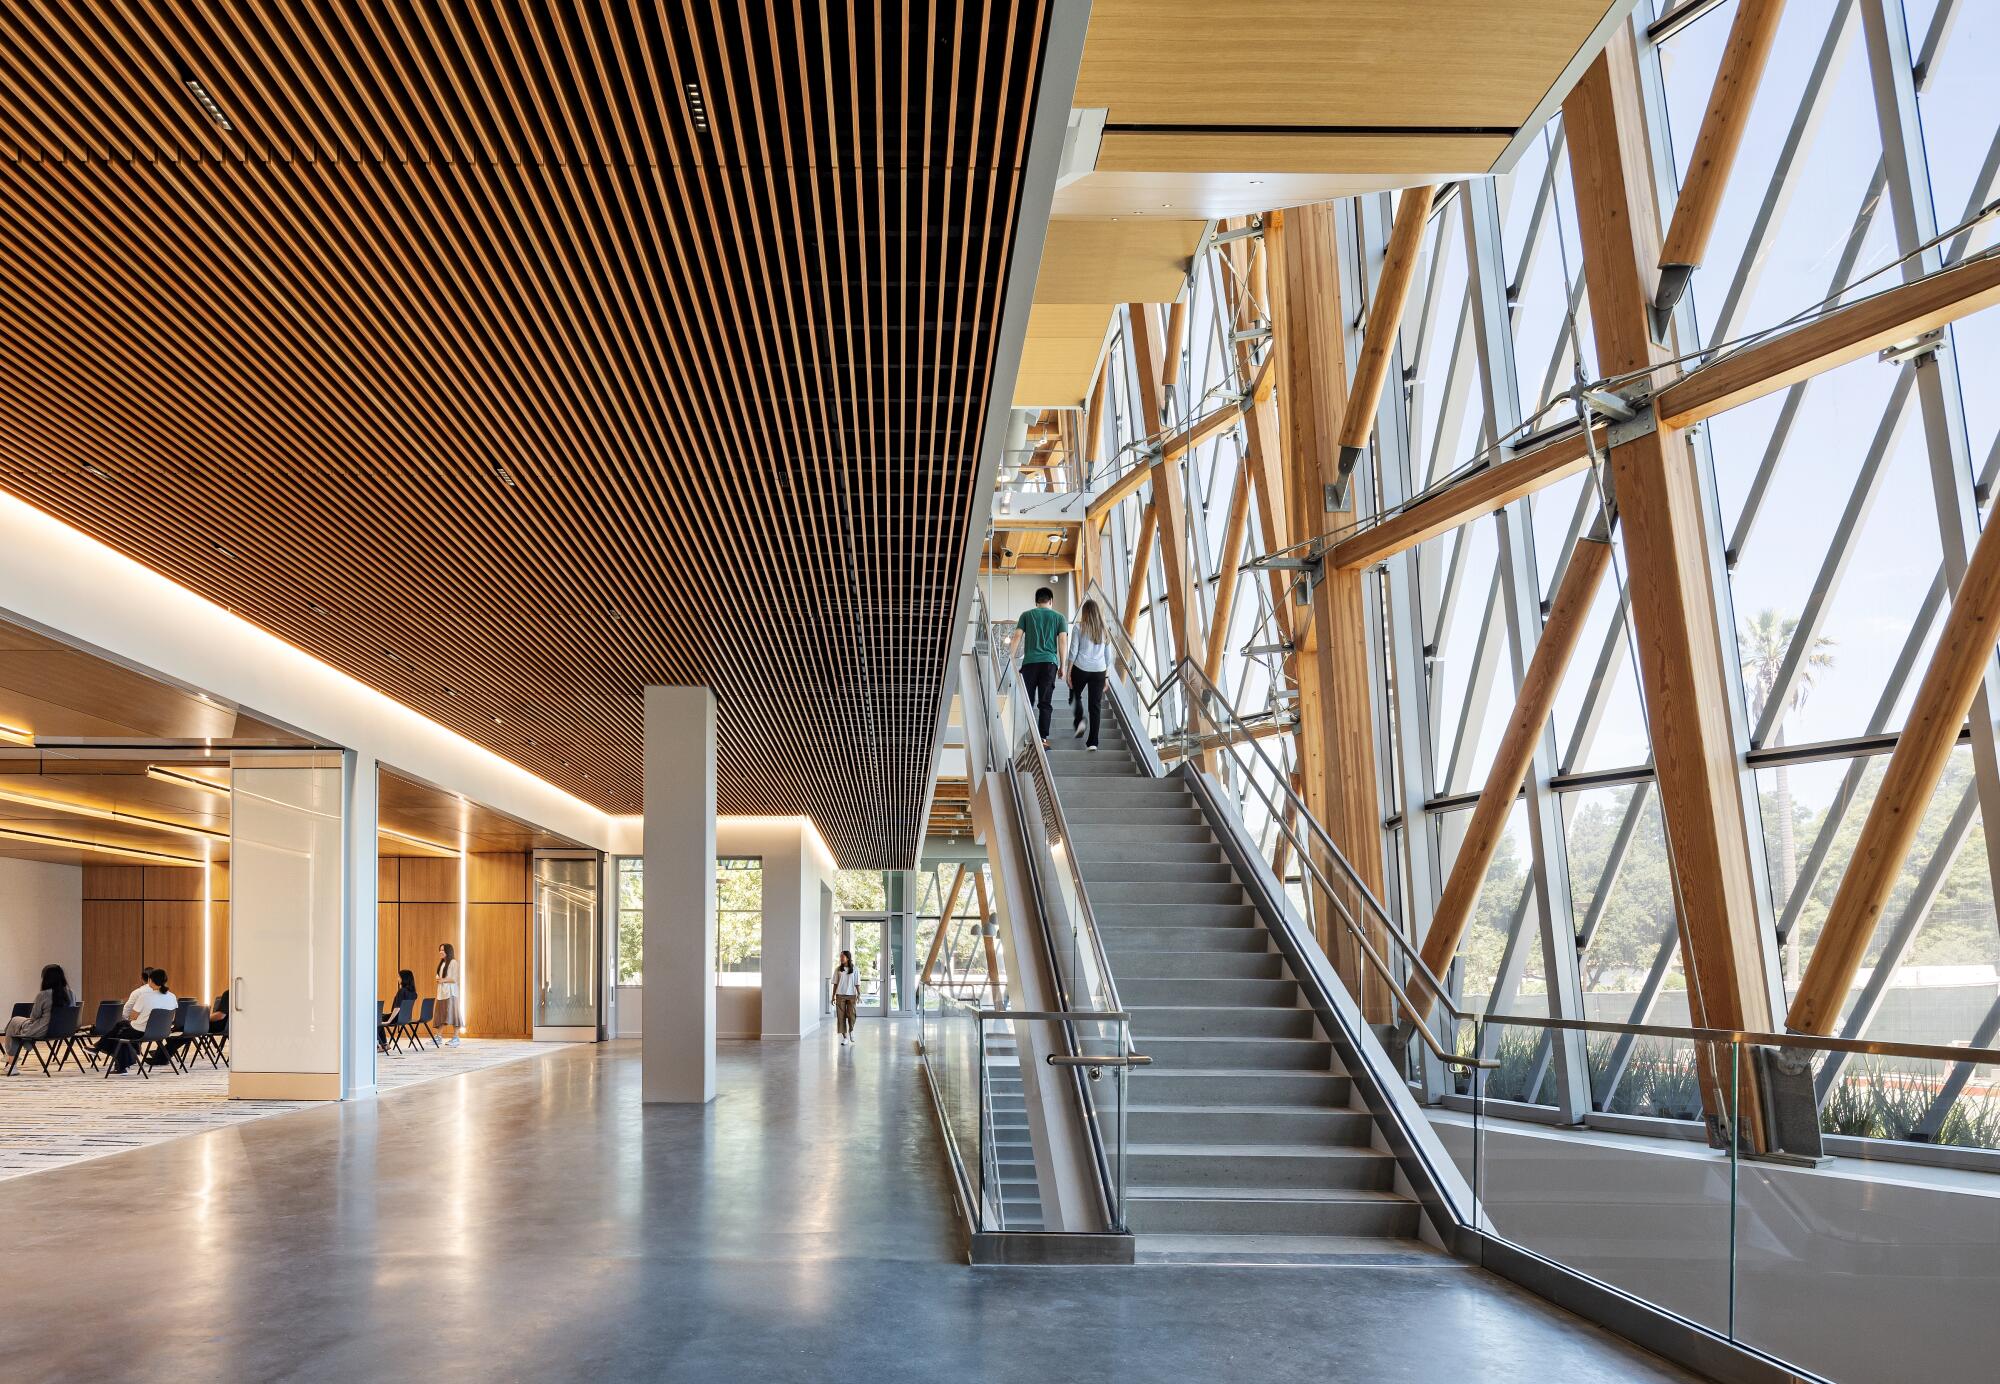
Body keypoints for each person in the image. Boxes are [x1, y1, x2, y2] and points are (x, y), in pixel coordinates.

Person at [1008, 586, 1068, 747]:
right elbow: (1062, 641)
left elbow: (1017, 637)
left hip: (1030, 664)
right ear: (1051, 601)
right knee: (1045, 702)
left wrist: (1010, 659)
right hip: (1049, 664)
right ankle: (1042, 738)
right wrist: (1063, 665)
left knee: (1027, 701)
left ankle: (1024, 737)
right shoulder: (1059, 617)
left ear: (1036, 602)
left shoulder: (1026, 615)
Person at [98, 968, 176, 1074]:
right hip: (163, 1032)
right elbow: (172, 1016)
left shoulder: (145, 997)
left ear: (150, 980)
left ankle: (116, 1062)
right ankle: (99, 1048)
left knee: (118, 1032)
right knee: (121, 1028)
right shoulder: (172, 997)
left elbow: (133, 1017)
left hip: (141, 1032)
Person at [3, 963, 74, 1074]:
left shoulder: (43, 995)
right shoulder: (71, 994)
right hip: (63, 1030)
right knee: (16, 1027)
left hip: (42, 1030)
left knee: (13, 1022)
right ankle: (17, 1054)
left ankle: (11, 1061)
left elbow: (34, 1017)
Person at [1066, 597, 1111, 751]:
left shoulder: (1079, 628)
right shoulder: (1105, 629)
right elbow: (1108, 656)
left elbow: (1073, 651)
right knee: (1095, 707)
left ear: (1085, 613)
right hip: (1099, 670)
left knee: (1074, 695)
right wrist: (1106, 676)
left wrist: (1068, 671)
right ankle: (1093, 742)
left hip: (1081, 668)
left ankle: (1080, 721)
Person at [150, 987, 229, 1068]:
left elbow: (220, 1016)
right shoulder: (238, 993)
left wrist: (203, 1018)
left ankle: (161, 1056)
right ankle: (161, 1055)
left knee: (182, 1031)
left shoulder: (228, 993)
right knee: (183, 1031)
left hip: (217, 1025)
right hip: (226, 1026)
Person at [379, 970, 418, 1052]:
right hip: (406, 1018)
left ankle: (382, 1045)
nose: (397, 979)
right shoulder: (413, 993)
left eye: (398, 977)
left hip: (397, 1017)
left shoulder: (402, 991)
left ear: (404, 978)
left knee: (377, 1019)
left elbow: (397, 1008)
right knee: (379, 1017)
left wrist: (389, 1021)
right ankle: (384, 1044)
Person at [831, 950, 860, 1045]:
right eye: (840, 956)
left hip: (851, 995)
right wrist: (833, 996)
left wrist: (859, 994)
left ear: (848, 957)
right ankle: (845, 1038)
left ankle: (851, 1030)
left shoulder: (855, 969)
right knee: (841, 1017)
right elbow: (835, 984)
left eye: (842, 956)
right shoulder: (838, 969)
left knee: (852, 1015)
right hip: (840, 995)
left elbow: (857, 983)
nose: (841, 958)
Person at [435, 943, 461, 1046]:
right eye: (440, 950)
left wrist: (443, 980)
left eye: (443, 950)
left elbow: (454, 979)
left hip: (451, 993)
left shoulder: (453, 962)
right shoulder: (442, 963)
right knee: (441, 1015)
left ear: (448, 951)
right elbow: (438, 976)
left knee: (454, 1015)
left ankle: (456, 1038)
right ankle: (438, 1037)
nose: (440, 952)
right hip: (441, 993)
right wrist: (439, 979)